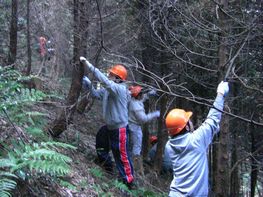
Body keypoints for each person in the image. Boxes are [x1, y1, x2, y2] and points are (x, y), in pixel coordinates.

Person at [165, 81, 229, 196]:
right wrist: (220, 94)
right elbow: (213, 118)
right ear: (186, 126)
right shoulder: (196, 140)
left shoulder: (169, 146)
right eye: (188, 120)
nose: (190, 121)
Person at [80, 57, 134, 188]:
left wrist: (88, 65)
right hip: (110, 127)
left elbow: (104, 81)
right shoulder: (110, 90)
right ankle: (107, 166)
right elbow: (96, 94)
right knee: (102, 141)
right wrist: (88, 85)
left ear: (118, 78)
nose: (108, 76)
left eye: (111, 74)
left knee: (122, 154)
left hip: (120, 128)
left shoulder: (120, 89)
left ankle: (128, 181)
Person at [128, 85, 160, 176]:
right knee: (136, 147)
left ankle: (132, 164)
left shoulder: (134, 100)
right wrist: (155, 114)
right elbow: (144, 119)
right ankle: (135, 168)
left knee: (133, 146)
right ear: (138, 95)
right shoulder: (136, 106)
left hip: (132, 125)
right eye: (141, 93)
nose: (143, 95)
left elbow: (141, 99)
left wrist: (149, 94)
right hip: (134, 127)